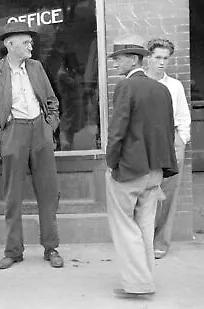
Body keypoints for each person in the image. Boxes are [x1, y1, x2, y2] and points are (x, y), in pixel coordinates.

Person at [0, 22, 64, 270]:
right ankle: (13, 251)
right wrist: (0, 139)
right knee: (12, 197)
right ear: (10, 45)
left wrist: (49, 127)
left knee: (48, 193)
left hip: (40, 130)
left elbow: (51, 100)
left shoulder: (36, 67)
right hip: (12, 132)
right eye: (25, 42)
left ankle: (51, 247)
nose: (31, 46)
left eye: (30, 41)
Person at [106, 35, 178, 297]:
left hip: (129, 169)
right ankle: (146, 281)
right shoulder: (161, 88)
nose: (115, 64)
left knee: (126, 228)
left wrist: (111, 163)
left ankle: (137, 286)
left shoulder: (126, 86)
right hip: (155, 170)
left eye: (118, 59)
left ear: (134, 59)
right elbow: (168, 131)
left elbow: (117, 131)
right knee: (145, 228)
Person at [146, 38, 191, 259]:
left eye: (166, 58)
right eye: (158, 58)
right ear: (148, 58)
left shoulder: (174, 86)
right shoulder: (140, 82)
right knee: (145, 190)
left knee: (169, 192)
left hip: (171, 140)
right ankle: (143, 238)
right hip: (145, 141)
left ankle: (161, 241)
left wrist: (181, 140)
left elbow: (183, 116)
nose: (162, 62)